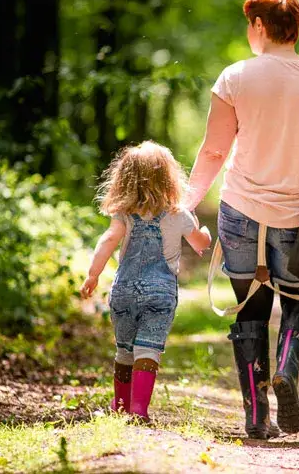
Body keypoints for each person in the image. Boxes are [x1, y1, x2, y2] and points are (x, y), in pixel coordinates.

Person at [185, 0, 299, 439]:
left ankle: (257, 417)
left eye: (249, 23)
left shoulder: (235, 77)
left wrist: (186, 206)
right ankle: (286, 369)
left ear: (259, 26)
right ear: (295, 27)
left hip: (241, 213)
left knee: (249, 311)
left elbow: (213, 151)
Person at [80, 141, 212, 422]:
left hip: (124, 290)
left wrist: (93, 274)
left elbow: (108, 240)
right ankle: (138, 410)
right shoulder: (179, 214)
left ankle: (119, 408)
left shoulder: (124, 214)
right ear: (169, 178)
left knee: (124, 350)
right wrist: (207, 234)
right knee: (148, 349)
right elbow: (200, 242)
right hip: (160, 293)